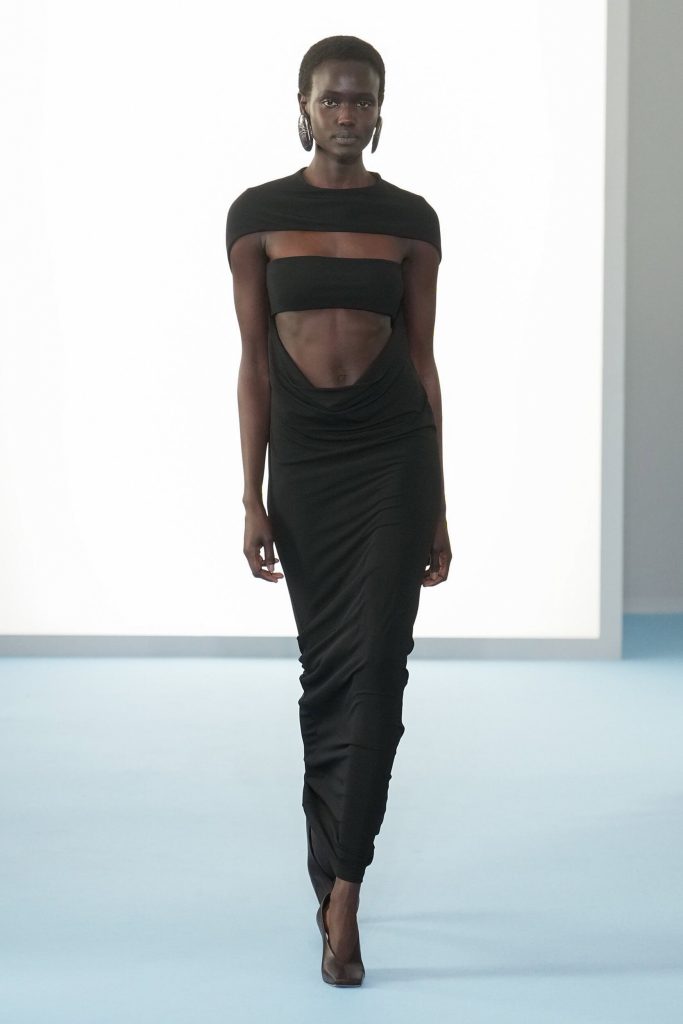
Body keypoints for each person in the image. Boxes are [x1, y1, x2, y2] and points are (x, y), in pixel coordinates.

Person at [225, 34, 451, 986]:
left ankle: (345, 891)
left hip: (392, 455)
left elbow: (422, 362)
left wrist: (438, 505)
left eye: (361, 100)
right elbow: (252, 365)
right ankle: (329, 876)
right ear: (303, 106)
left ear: (380, 111)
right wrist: (250, 496)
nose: (346, 114)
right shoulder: (256, 216)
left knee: (378, 671)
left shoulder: (410, 220)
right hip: (308, 468)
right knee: (327, 676)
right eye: (332, 99)